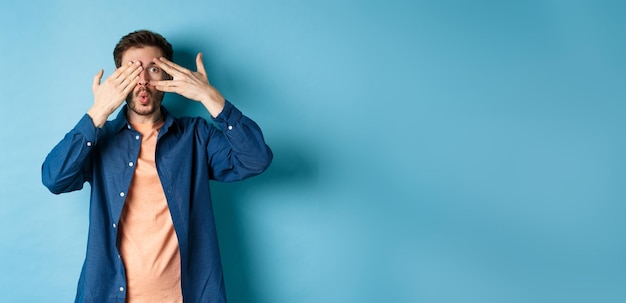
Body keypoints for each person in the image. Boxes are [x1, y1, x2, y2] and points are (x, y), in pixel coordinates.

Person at [41, 30, 273, 303]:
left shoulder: (196, 136)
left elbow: (255, 158)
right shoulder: (99, 139)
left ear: (167, 75)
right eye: (131, 70)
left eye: (153, 69)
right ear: (118, 79)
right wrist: (98, 112)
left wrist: (211, 97)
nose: (142, 81)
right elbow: (54, 178)